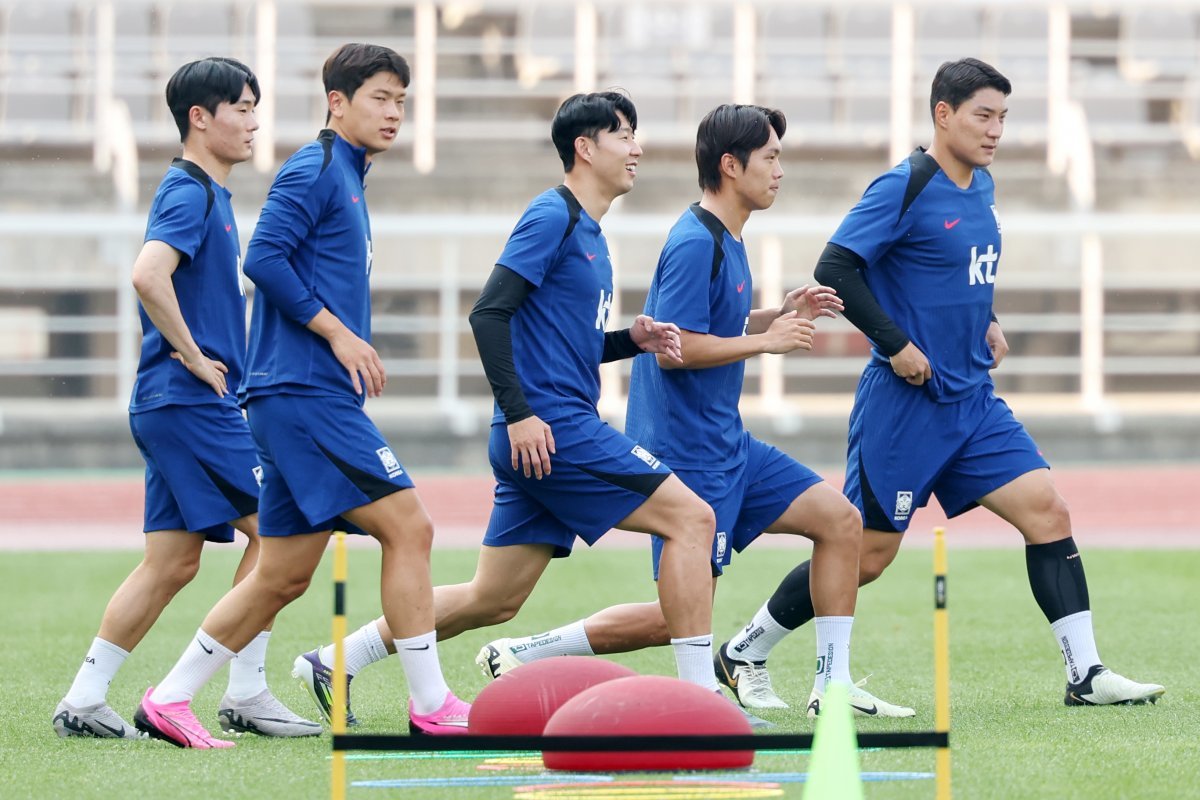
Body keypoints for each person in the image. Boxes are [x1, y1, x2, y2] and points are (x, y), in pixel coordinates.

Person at [292, 91, 723, 725]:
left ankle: (334, 659)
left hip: (543, 433)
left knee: (492, 600)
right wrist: (520, 412)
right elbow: (489, 312)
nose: (637, 148)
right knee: (693, 520)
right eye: (624, 135)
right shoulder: (553, 217)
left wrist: (627, 341)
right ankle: (698, 702)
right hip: (551, 429)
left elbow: (559, 341)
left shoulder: (592, 233)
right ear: (585, 147)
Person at [474, 104, 914, 719]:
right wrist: (767, 341)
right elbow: (680, 351)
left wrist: (776, 314)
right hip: (687, 450)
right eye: (771, 157)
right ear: (731, 166)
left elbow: (705, 327)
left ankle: (831, 688)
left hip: (730, 445)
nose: (781, 170)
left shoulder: (729, 236)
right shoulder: (690, 241)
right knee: (677, 615)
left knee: (840, 522)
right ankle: (538, 652)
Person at [132, 43, 471, 749]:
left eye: (402, 101)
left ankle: (169, 698)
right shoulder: (315, 168)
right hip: (303, 394)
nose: (394, 112)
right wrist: (339, 336)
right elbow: (264, 257)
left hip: (300, 399)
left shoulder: (348, 174)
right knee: (410, 529)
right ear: (337, 102)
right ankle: (432, 702)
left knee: (282, 575)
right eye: (380, 97)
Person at [803, 57, 1162, 708]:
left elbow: (956, 271)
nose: (996, 130)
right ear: (944, 115)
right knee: (869, 554)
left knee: (1047, 510)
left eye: (1003, 118)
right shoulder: (904, 185)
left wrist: (989, 319)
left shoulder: (983, 187)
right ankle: (751, 645)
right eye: (983, 115)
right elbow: (836, 267)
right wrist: (897, 345)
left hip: (972, 403)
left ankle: (1086, 674)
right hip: (904, 407)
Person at [52, 57, 318, 741]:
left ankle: (83, 699)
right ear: (201, 118)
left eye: (257, 106)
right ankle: (244, 688)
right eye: (242, 107)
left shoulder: (210, 195)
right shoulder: (190, 191)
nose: (255, 121)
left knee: (172, 560)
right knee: (284, 533)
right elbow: (148, 274)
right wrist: (199, 357)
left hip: (169, 404)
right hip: (188, 401)